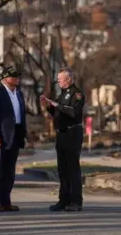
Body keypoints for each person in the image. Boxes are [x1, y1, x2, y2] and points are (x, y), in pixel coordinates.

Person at [40, 67, 85, 212]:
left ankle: (76, 201)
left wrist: (58, 105)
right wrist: (48, 106)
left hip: (72, 133)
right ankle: (63, 200)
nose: (58, 81)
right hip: (62, 134)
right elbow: (58, 113)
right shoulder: (62, 94)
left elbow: (73, 112)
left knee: (73, 168)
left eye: (60, 79)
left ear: (69, 79)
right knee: (62, 169)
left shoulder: (77, 94)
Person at [0, 66, 27, 212]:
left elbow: (21, 115)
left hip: (14, 135)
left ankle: (6, 201)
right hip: (0, 136)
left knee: (9, 171)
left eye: (18, 76)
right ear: (6, 78)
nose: (17, 79)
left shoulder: (19, 93)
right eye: (14, 76)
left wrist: (24, 135)